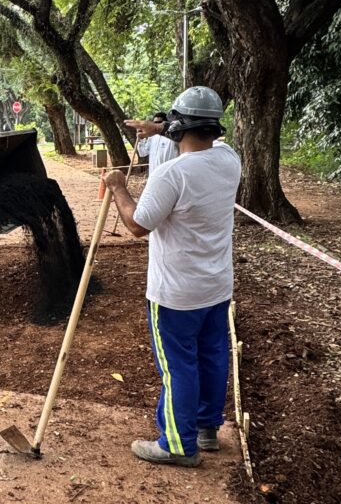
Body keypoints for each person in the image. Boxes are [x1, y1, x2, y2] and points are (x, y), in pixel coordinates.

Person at [103, 86, 241, 467]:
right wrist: (157, 128)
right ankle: (206, 430)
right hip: (216, 286)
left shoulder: (171, 174)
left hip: (176, 293)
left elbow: (136, 225)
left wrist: (117, 187)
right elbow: (191, 139)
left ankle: (177, 446)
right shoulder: (230, 159)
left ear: (177, 126)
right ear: (215, 127)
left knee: (178, 366)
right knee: (212, 356)